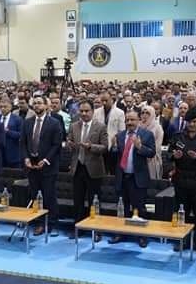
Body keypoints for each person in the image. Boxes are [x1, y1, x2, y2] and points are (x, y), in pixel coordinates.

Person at [107, 110, 155, 248]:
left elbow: (152, 153)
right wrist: (114, 148)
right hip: (122, 177)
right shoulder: (120, 135)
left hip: (137, 178)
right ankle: (120, 233)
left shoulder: (147, 135)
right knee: (122, 207)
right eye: (127, 120)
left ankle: (142, 236)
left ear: (139, 120)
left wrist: (140, 147)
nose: (129, 123)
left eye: (132, 120)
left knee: (140, 208)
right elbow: (113, 157)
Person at [169, 109, 196, 254]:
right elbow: (168, 154)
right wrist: (174, 156)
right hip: (181, 178)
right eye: (189, 122)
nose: (192, 124)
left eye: (195, 121)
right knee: (181, 211)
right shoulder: (177, 136)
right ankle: (182, 239)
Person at [66, 100, 108, 238]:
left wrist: (91, 147)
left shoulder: (100, 126)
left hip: (94, 169)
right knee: (77, 200)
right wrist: (70, 145)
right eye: (81, 111)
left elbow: (105, 147)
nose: (84, 113)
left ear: (92, 111)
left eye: (86, 111)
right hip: (77, 167)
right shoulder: (74, 126)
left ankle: (96, 230)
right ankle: (78, 228)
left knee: (94, 201)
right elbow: (69, 142)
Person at [21, 96, 63, 236]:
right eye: (35, 103)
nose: (37, 105)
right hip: (32, 164)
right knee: (34, 194)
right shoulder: (27, 122)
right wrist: (26, 158)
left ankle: (51, 223)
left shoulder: (54, 123)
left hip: (48, 165)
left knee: (49, 195)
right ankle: (38, 221)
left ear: (46, 106)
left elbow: (56, 145)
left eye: (39, 103)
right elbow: (23, 143)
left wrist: (45, 160)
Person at [92, 91, 124, 173]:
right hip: (99, 142)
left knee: (112, 168)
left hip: (113, 143)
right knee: (100, 167)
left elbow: (121, 130)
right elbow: (94, 127)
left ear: (111, 100)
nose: (104, 103)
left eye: (106, 100)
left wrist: (116, 140)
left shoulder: (120, 113)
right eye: (102, 101)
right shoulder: (96, 112)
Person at [139, 104, 164, 180]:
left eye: (147, 113)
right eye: (143, 113)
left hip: (151, 159)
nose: (144, 115)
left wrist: (147, 152)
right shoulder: (138, 126)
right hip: (139, 157)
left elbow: (157, 145)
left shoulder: (157, 127)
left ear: (152, 114)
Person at [3, 99, 24, 168]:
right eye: (1, 107)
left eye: (5, 107)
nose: (2, 109)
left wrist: (8, 132)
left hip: (13, 155)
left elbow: (21, 135)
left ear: (10, 107)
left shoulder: (18, 119)